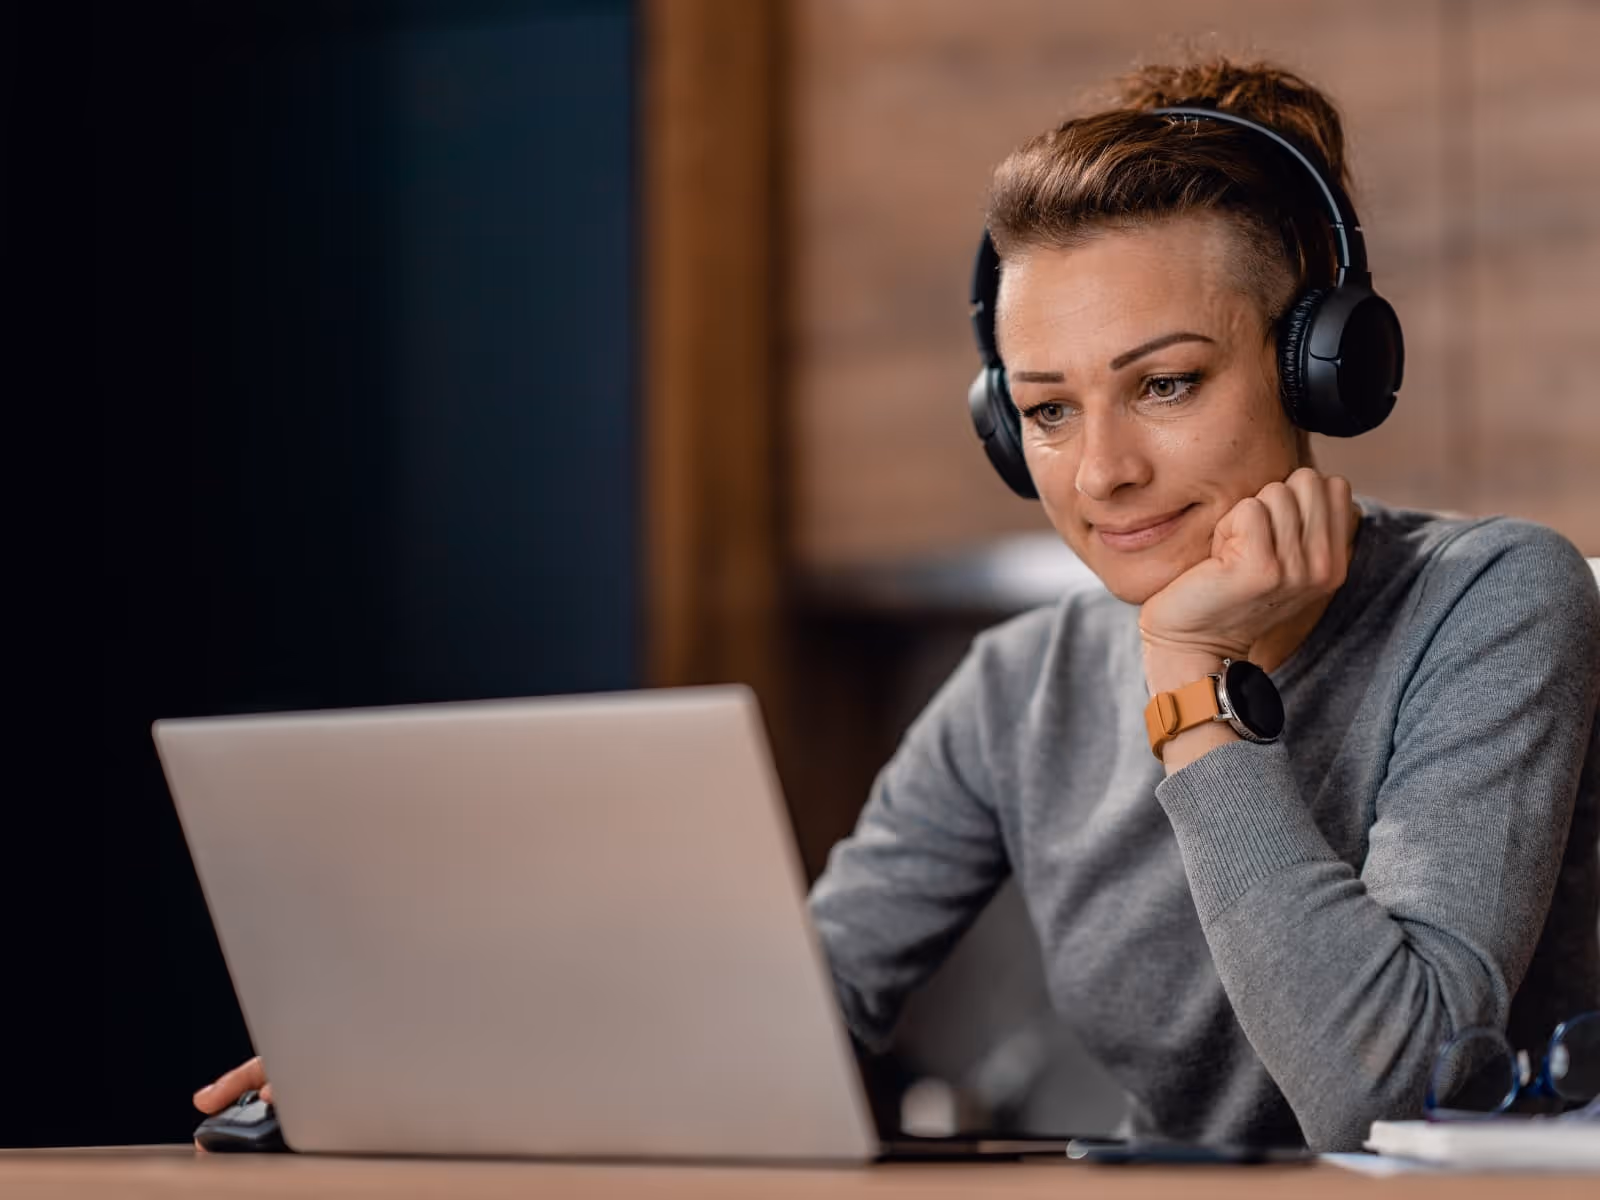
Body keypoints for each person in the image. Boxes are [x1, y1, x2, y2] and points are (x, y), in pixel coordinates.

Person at [194, 55, 1600, 1154]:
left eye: (1165, 384)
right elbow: (792, 1018)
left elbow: (1391, 1091)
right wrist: (423, 1062)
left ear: (1319, 369)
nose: (1101, 470)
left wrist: (1190, 680)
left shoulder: (1492, 602)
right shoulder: (1017, 688)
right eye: (1046, 410)